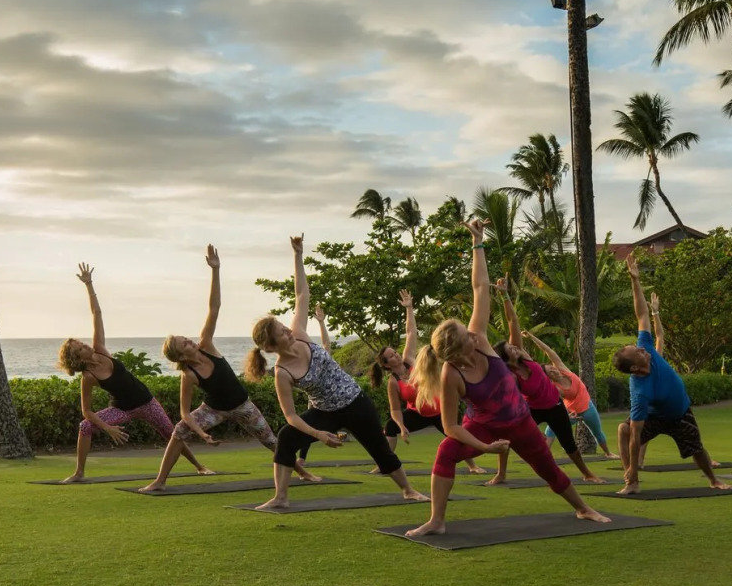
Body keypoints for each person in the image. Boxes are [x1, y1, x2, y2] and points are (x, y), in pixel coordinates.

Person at [404, 219, 608, 537]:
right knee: (445, 450)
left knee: (548, 469)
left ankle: (583, 508)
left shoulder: (481, 340)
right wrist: (484, 449)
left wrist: (478, 241)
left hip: (521, 421)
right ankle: (437, 520)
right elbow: (451, 427)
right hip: (483, 428)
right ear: (459, 350)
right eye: (465, 334)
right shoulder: (452, 373)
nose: (472, 332)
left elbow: (479, 288)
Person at [244, 235, 426, 510]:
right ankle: (280, 496)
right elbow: (292, 416)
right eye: (281, 331)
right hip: (324, 412)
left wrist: (298, 255)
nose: (286, 330)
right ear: (271, 346)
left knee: (379, 448)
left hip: (355, 402)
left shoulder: (301, 333)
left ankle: (408, 491)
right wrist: (318, 434)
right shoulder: (282, 372)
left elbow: (301, 294)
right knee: (285, 437)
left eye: (283, 325)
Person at [140, 245, 318, 492]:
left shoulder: (207, 345)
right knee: (179, 431)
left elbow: (214, 308)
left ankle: (302, 472)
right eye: (185, 343)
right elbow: (185, 413)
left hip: (242, 405)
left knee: (270, 440)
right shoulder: (188, 375)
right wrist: (201, 434)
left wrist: (216, 270)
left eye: (187, 338)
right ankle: (159, 481)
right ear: (180, 354)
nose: (190, 341)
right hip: (214, 410)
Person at [57, 263, 210, 484]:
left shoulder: (100, 349)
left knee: (172, 433)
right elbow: (87, 411)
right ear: (77, 357)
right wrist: (108, 428)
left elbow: (96, 313)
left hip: (147, 402)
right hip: (122, 409)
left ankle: (200, 466)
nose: (86, 346)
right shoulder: (89, 377)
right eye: (81, 347)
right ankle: (79, 473)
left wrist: (89, 285)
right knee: (85, 425)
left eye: (82, 343)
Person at [614, 254, 730, 493]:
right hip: (656, 416)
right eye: (635, 351)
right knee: (624, 430)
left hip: (680, 413)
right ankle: (631, 480)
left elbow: (641, 315)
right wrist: (634, 467)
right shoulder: (640, 391)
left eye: (636, 346)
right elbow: (636, 435)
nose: (639, 348)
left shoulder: (646, 347)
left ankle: (714, 480)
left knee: (696, 449)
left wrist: (635, 281)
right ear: (634, 368)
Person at [483, 278, 607, 485]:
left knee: (569, 443)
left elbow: (513, 321)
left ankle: (587, 473)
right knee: (507, 435)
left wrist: (505, 295)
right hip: (532, 409)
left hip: (555, 406)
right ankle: (501, 473)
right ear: (506, 359)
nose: (515, 348)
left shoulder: (526, 358)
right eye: (511, 350)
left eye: (514, 346)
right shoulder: (510, 374)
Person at [367, 290, 486, 474]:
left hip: (438, 409)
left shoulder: (410, 360)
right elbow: (396, 410)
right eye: (391, 356)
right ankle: (385, 463)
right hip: (418, 413)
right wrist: (401, 426)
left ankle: (472, 465)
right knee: (390, 426)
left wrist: (409, 308)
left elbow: (410, 332)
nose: (396, 355)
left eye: (395, 352)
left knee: (455, 434)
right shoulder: (393, 382)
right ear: (386, 365)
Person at [521, 331, 615, 459]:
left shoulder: (564, 370)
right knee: (551, 430)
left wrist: (532, 337)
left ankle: (608, 453)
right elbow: (555, 402)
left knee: (597, 432)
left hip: (587, 407)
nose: (554, 370)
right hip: (571, 411)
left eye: (553, 368)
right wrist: (566, 413)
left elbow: (548, 351)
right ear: (549, 377)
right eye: (551, 372)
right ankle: (544, 456)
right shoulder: (554, 387)